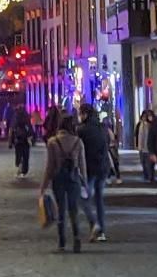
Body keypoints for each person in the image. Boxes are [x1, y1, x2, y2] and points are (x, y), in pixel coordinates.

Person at [39, 113, 87, 253]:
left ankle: (61, 242)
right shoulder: (78, 142)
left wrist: (44, 185)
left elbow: (50, 167)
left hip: (58, 179)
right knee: (74, 210)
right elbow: (82, 165)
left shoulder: (53, 142)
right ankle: (77, 238)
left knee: (61, 211)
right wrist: (84, 183)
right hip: (74, 179)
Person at [77, 104, 108, 241]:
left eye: (80, 113)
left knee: (83, 198)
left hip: (89, 169)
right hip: (102, 168)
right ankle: (101, 231)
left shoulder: (81, 130)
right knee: (99, 199)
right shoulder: (102, 128)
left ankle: (94, 223)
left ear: (84, 114)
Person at [8, 105, 36, 178]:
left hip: (18, 139)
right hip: (25, 139)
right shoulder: (26, 116)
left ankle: (19, 166)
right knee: (25, 155)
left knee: (19, 154)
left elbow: (11, 130)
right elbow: (30, 128)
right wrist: (33, 139)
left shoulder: (15, 117)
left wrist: (10, 142)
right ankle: (24, 170)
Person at [135, 109, 155, 183]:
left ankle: (150, 177)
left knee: (149, 163)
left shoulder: (150, 125)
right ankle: (147, 175)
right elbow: (137, 135)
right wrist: (138, 145)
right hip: (142, 147)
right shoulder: (140, 125)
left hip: (148, 147)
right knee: (144, 162)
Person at [104, 114, 123, 184]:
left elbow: (113, 139)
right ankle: (114, 177)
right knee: (112, 163)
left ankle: (113, 177)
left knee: (113, 162)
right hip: (111, 147)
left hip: (111, 147)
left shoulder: (108, 130)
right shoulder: (108, 130)